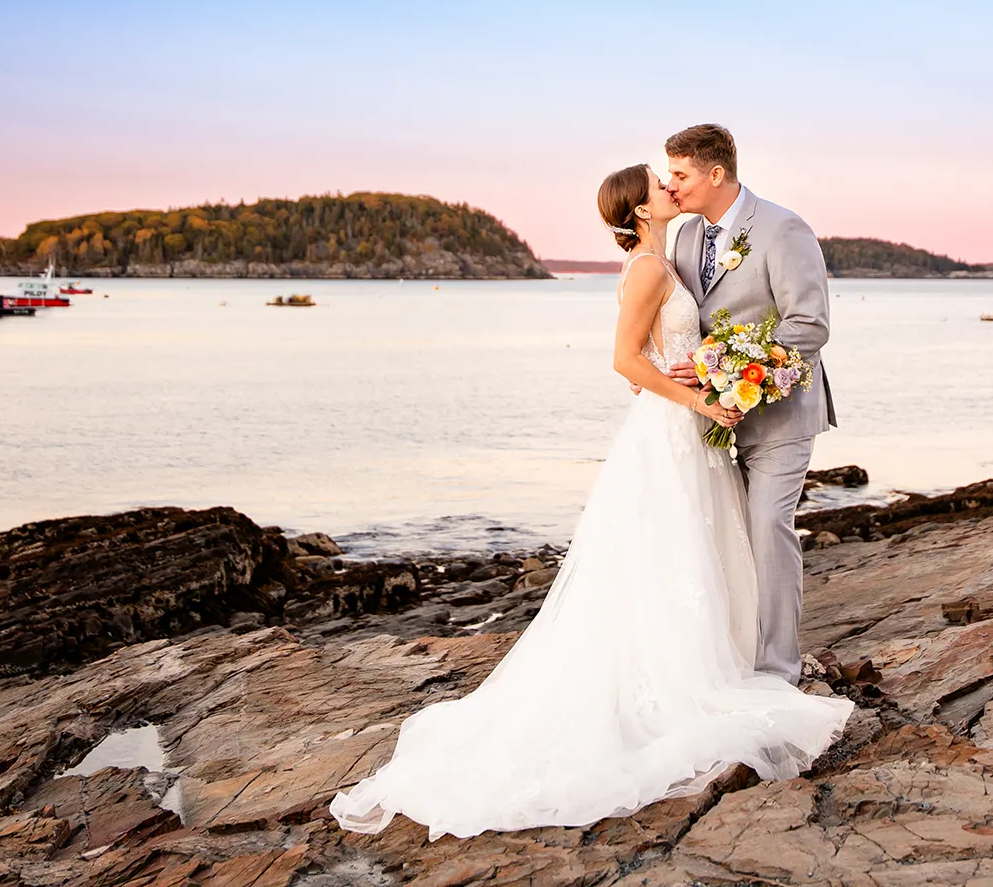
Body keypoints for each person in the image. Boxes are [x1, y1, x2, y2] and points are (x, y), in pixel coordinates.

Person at [329, 161, 850, 840]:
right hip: (675, 429)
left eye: (677, 178)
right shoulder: (650, 268)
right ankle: (679, 681)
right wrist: (699, 398)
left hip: (691, 429)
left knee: (687, 552)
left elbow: (684, 341)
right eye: (660, 185)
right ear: (638, 210)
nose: (670, 187)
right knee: (671, 550)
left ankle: (718, 661)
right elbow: (624, 361)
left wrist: (712, 373)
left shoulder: (670, 255)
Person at [664, 122, 835, 685]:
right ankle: (734, 655)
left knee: (766, 527)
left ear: (716, 174)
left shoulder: (784, 229)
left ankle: (779, 669)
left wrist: (728, 369)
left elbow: (809, 326)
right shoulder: (687, 236)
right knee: (725, 536)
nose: (672, 186)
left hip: (782, 412)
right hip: (712, 420)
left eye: (681, 174)